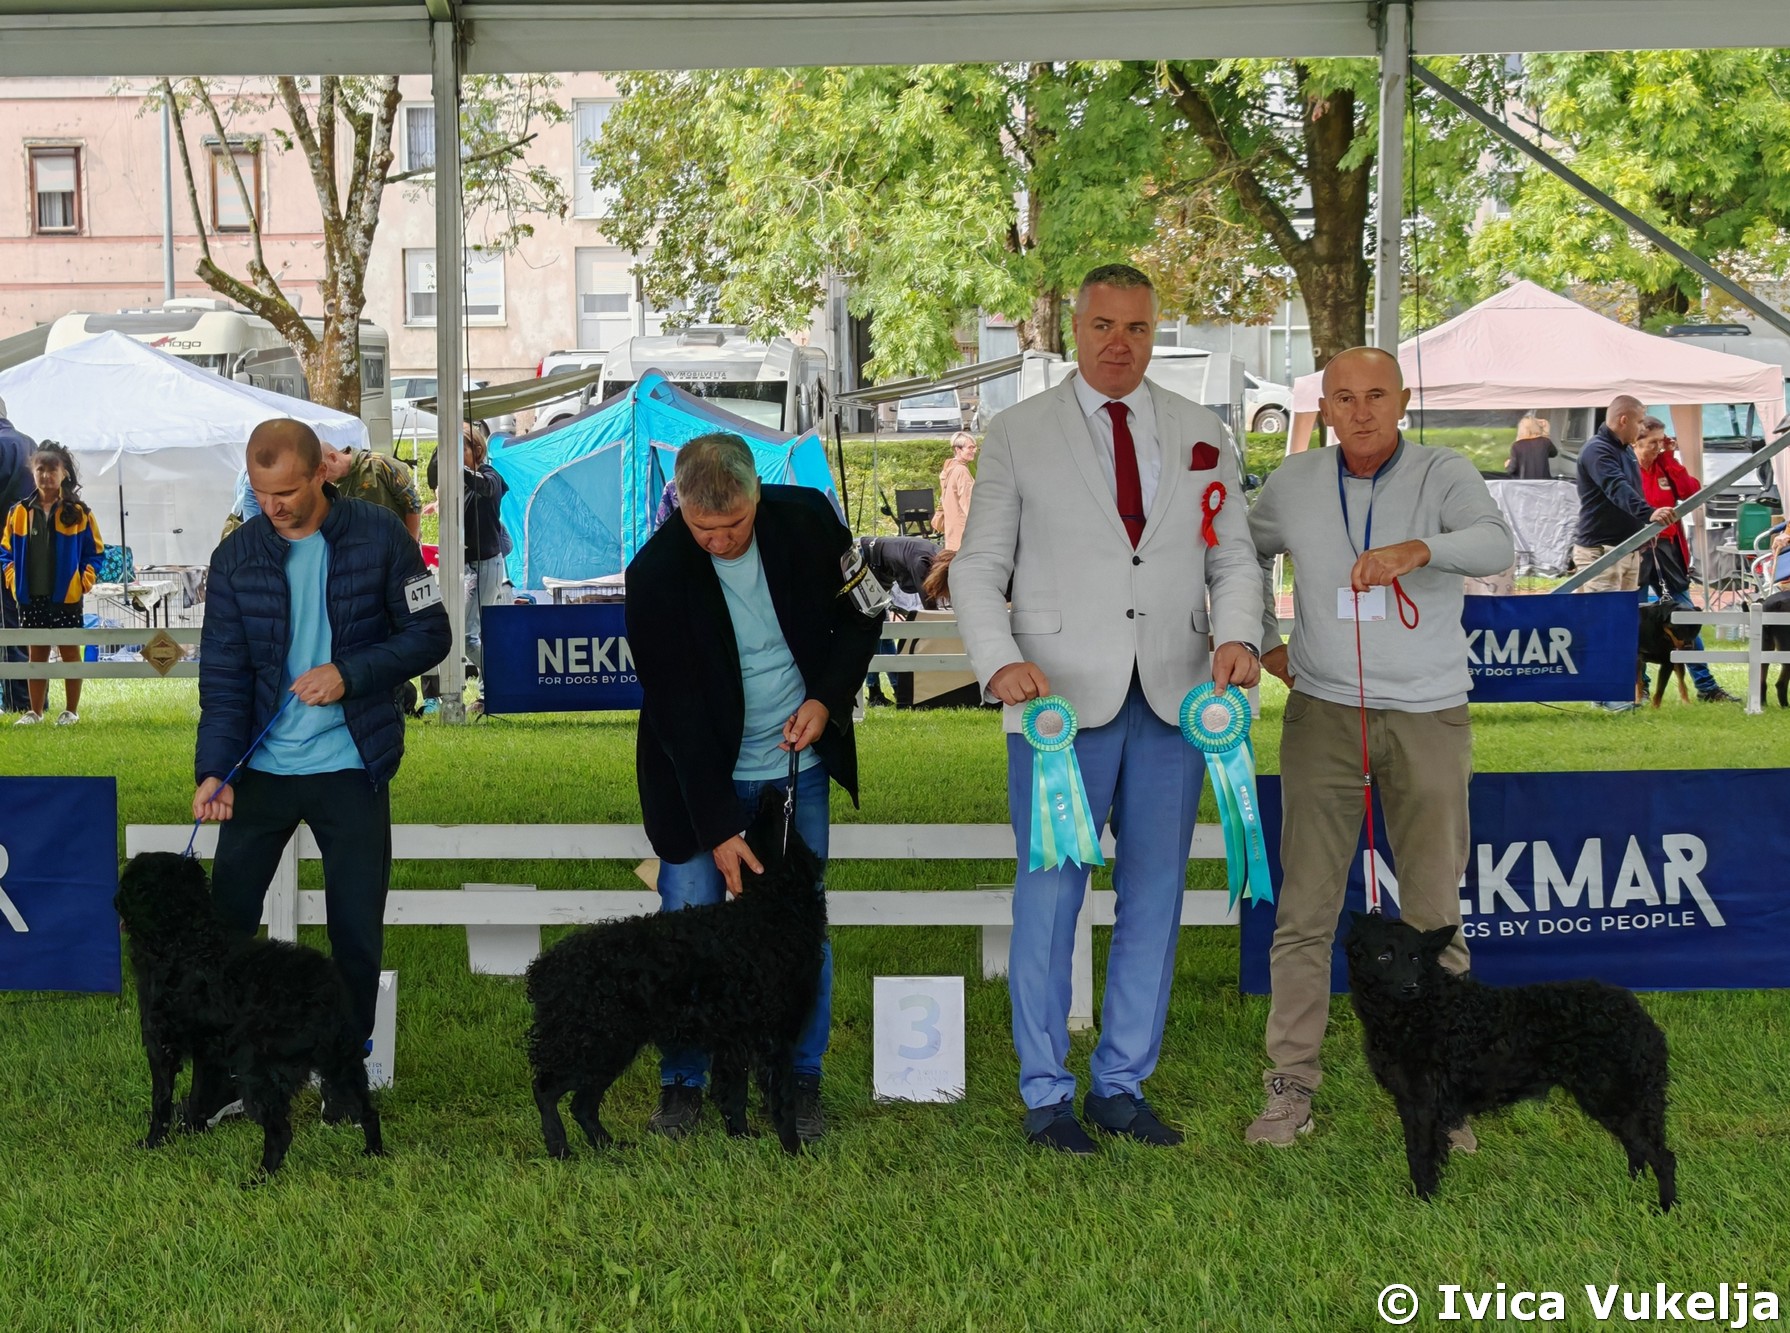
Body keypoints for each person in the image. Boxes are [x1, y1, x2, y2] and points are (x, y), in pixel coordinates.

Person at [952, 263, 1263, 1153]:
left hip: (1178, 697)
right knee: (1051, 899)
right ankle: (1046, 1092)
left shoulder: (1202, 430)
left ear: (1154, 333)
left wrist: (1240, 634)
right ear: (1074, 331)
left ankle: (1122, 1084)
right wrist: (999, 661)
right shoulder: (1018, 433)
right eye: (1102, 326)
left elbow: (1233, 557)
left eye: (1136, 327)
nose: (1119, 343)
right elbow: (978, 567)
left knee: (1155, 897)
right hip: (1054, 697)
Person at [1245, 346, 1515, 1147]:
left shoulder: (1444, 471)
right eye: (1344, 397)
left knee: (1433, 912)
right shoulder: (1294, 480)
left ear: (1401, 400)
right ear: (1324, 407)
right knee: (1305, 909)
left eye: (1375, 395)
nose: (1360, 411)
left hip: (1429, 713)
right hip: (1323, 712)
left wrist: (1419, 549)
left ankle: (1446, 1092)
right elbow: (1238, 553)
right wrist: (1263, 639)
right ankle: (1290, 1084)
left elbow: (1496, 545)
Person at [623, 432, 884, 1145]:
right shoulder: (654, 574)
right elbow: (675, 712)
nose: (718, 540)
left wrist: (827, 698)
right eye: (702, 527)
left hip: (795, 765)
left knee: (801, 924)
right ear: (680, 507)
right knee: (688, 924)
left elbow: (865, 612)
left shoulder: (812, 520)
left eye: (733, 524)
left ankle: (800, 1076)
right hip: (693, 777)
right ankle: (683, 1080)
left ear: (756, 495)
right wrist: (717, 828)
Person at [192, 419, 450, 1114]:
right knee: (225, 926)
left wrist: (349, 673)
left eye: (284, 492)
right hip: (260, 773)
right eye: (259, 492)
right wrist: (214, 769)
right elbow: (223, 677)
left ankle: (344, 1078)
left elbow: (432, 632)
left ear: (320, 474)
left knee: (356, 933)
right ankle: (219, 1080)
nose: (271, 506)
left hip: (352, 764)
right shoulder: (235, 557)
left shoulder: (382, 535)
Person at [0, 440, 104, 726]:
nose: (46, 475)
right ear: (32, 472)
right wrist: (12, 579)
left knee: (70, 651)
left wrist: (83, 581)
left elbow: (95, 553)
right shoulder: (19, 512)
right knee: (36, 654)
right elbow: (5, 551)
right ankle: (35, 712)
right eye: (40, 469)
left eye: (52, 470)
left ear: (64, 473)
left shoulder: (80, 512)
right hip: (30, 595)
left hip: (67, 596)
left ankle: (71, 711)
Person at [1633, 418, 1735, 703]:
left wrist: (1670, 457)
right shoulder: (1627, 469)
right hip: (1635, 549)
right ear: (1635, 443)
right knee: (1635, 618)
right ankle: (1639, 687)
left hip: (1667, 549)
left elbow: (1691, 492)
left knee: (1686, 614)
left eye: (1662, 441)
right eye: (1652, 443)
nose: (1658, 447)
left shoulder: (1664, 464)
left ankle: (1706, 686)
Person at [427, 421, 508, 715]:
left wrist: (457, 467)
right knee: (465, 633)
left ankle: (495, 689)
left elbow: (487, 488)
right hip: (461, 565)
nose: (453, 455)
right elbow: (432, 475)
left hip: (486, 563)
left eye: (460, 448)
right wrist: (443, 455)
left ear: (476, 450)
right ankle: (491, 691)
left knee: (471, 634)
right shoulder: (455, 483)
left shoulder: (491, 475)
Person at [1573, 395, 1676, 594]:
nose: (1642, 428)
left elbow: (1633, 490)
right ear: (1623, 420)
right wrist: (1648, 514)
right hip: (1602, 550)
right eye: (1639, 422)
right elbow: (1616, 487)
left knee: (1623, 611)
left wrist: (1644, 529)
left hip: (1627, 547)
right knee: (1605, 611)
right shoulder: (1597, 450)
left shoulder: (1625, 450)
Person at [229, 440, 423, 542]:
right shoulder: (327, 487)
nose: (320, 478)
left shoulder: (380, 465)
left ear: (333, 458)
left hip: (398, 544)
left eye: (322, 471)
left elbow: (413, 505)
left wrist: (411, 543)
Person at [859, 534, 941, 708]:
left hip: (877, 564)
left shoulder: (936, 555)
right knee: (873, 630)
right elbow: (929, 604)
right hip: (867, 559)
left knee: (884, 633)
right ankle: (877, 691)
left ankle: (895, 690)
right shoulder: (922, 563)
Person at [0, 396, 37, 714]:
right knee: (30, 624)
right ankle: (36, 699)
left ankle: (17, 701)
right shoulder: (29, 443)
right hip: (33, 549)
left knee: (7, 623)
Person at [933, 431, 977, 550]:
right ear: (958, 449)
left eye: (974, 447)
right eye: (970, 447)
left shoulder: (949, 467)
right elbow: (967, 502)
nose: (974, 450)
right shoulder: (961, 471)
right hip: (964, 529)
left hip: (951, 526)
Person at [1502, 415, 1558, 479]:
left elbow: (1511, 470)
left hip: (1525, 483)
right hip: (1543, 482)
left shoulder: (1517, 446)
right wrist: (1546, 433)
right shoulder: (1545, 442)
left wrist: (1507, 465)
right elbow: (1554, 454)